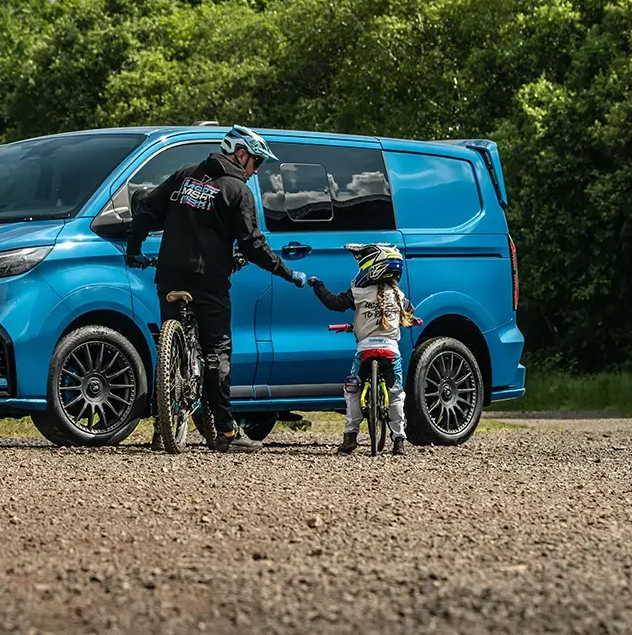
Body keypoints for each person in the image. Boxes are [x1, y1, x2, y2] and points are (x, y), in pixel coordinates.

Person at [126, 125, 306, 453]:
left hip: (168, 276)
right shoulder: (237, 190)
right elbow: (252, 244)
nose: (256, 171)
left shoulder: (185, 175)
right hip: (208, 281)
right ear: (241, 155)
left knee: (170, 349)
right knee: (217, 353)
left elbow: (147, 208)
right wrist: (285, 271)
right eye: (256, 163)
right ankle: (225, 430)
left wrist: (134, 249)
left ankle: (159, 430)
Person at [308, 243, 419, 456]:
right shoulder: (398, 295)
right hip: (390, 352)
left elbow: (334, 303)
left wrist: (318, 285)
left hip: (365, 351)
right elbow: (409, 313)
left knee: (352, 390)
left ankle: (351, 436)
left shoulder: (357, 291)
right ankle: (399, 440)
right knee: (396, 394)